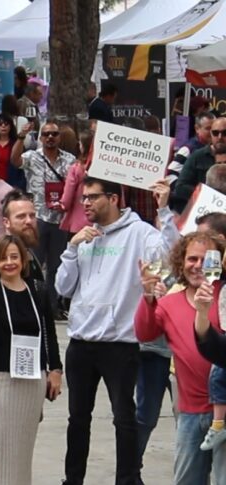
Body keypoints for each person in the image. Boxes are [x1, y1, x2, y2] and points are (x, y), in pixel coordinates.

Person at [55, 177, 161, 485]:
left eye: (92, 197)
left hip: (120, 343)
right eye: (83, 197)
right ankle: (73, 479)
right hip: (80, 341)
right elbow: (63, 287)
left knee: (124, 418)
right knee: (77, 419)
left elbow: (166, 256)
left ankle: (127, 480)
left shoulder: (140, 233)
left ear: (114, 199)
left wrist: (165, 210)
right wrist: (72, 247)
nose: (85, 203)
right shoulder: (83, 236)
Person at [0, 234, 62, 484]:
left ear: (23, 260)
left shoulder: (37, 289)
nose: (9, 263)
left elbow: (48, 331)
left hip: (30, 381)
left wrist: (55, 369)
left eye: (14, 257)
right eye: (3, 258)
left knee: (20, 453)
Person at [137, 231, 226, 484]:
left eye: (206, 259)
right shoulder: (169, 303)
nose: (198, 266)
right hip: (190, 412)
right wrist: (147, 297)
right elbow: (145, 333)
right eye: (192, 259)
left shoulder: (225, 295)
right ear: (181, 261)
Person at [12, 120, 73, 315]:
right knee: (34, 264)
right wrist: (21, 137)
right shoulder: (32, 156)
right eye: (46, 134)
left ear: (59, 137)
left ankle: (52, 307)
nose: (50, 138)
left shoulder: (69, 160)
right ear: (41, 138)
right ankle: (32, 304)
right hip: (37, 217)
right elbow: (14, 161)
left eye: (54, 134)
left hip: (60, 219)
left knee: (56, 265)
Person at [173, 117, 226, 212]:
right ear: (211, 134)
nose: (220, 137)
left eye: (225, 133)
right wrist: (209, 196)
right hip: (201, 213)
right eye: (215, 133)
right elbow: (180, 188)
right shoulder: (197, 156)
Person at [168, 112, 215, 187]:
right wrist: (188, 193)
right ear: (197, 128)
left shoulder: (218, 149)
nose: (212, 132)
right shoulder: (188, 149)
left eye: (214, 129)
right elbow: (170, 176)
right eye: (208, 128)